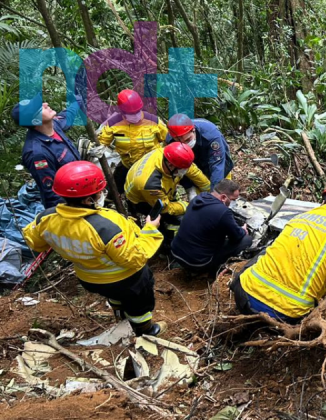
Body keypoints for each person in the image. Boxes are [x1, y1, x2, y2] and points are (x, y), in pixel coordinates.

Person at [22, 161, 166, 336]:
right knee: (139, 304)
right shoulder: (105, 227)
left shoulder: (45, 218)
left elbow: (35, 242)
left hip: (89, 278)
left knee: (115, 297)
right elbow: (134, 258)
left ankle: (120, 317)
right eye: (98, 192)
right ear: (87, 199)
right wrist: (150, 229)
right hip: (126, 279)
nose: (101, 194)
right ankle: (145, 331)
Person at [229, 182, 326, 323]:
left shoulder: (299, 218)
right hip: (286, 314)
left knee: (268, 249)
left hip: (244, 296)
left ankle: (233, 284)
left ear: (323, 201)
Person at [124, 142, 210, 244]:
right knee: (172, 220)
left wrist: (210, 190)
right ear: (170, 165)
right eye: (182, 169)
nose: (185, 171)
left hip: (161, 187)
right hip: (142, 199)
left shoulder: (171, 155)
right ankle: (166, 244)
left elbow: (193, 172)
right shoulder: (150, 183)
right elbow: (165, 208)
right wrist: (187, 206)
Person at [13, 93, 82, 208]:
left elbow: (67, 116)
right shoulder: (37, 153)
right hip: (71, 206)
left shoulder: (54, 125)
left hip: (82, 192)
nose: (46, 104)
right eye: (41, 108)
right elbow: (52, 194)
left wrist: (78, 101)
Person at [171, 179, 253, 276]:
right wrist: (243, 229)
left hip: (176, 253)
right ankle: (212, 271)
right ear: (223, 197)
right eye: (233, 200)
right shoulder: (223, 212)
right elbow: (237, 236)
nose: (232, 203)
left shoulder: (198, 198)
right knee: (246, 240)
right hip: (198, 263)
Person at [96, 89, 168, 193]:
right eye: (131, 113)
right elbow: (102, 141)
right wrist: (99, 148)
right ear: (122, 112)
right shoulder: (113, 124)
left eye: (137, 111)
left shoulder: (153, 121)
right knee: (115, 188)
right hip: (128, 165)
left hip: (152, 165)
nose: (135, 115)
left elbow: (167, 139)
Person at [166, 113, 234, 196]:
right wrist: (189, 188)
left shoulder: (211, 135)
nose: (186, 144)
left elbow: (217, 166)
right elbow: (179, 166)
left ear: (193, 130)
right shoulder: (170, 140)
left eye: (188, 139)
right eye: (181, 143)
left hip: (219, 165)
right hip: (196, 167)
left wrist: (215, 194)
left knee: (224, 194)